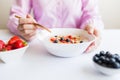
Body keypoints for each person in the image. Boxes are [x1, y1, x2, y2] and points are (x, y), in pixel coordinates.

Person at [7, 0, 104, 53]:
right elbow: (15, 15)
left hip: (78, 48)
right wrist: (24, 27)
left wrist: (91, 27)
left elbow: (92, 14)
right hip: (41, 50)